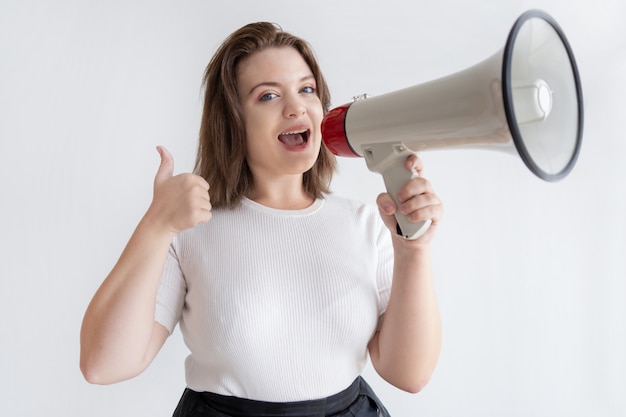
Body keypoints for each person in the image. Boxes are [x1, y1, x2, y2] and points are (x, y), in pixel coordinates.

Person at [80, 21, 443, 417]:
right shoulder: (190, 230)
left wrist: (414, 251)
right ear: (233, 120)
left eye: (306, 89)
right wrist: (155, 226)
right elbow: (104, 365)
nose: (296, 107)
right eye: (268, 95)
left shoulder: (365, 224)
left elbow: (410, 374)